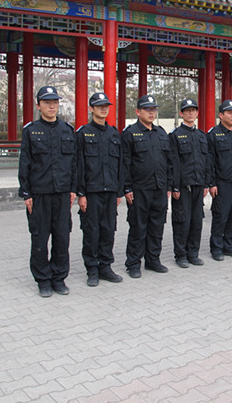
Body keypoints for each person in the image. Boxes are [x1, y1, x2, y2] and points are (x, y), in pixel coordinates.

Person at [18, 85, 76, 297]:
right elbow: (25, 163)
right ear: (38, 105)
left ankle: (59, 278)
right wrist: (26, 193)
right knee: (40, 239)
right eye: (47, 103)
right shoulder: (31, 131)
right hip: (39, 194)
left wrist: (73, 189)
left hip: (62, 194)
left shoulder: (67, 130)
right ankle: (43, 279)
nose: (52, 106)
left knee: (62, 238)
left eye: (55, 102)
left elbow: (74, 164)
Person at [122, 95, 173, 278]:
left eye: (153, 109)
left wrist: (169, 185)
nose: (151, 113)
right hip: (139, 189)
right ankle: (133, 263)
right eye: (147, 109)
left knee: (156, 227)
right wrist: (127, 188)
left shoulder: (161, 133)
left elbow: (168, 162)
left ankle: (153, 260)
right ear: (138, 112)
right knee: (138, 227)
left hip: (159, 188)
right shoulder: (130, 133)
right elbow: (125, 163)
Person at [76, 92, 123, 287]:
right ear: (91, 109)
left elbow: (120, 165)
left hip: (110, 191)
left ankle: (105, 267)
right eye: (99, 106)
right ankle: (92, 270)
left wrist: (119, 191)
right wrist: (81, 193)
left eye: (106, 106)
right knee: (91, 232)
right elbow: (78, 166)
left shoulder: (114, 134)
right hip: (91, 192)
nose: (103, 109)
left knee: (108, 230)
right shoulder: (83, 133)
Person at [169, 98, 210, 268]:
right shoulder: (175, 135)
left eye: (193, 110)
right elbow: (173, 163)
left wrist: (206, 183)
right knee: (182, 222)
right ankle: (181, 255)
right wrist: (175, 186)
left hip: (198, 185)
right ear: (181, 113)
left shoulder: (202, 136)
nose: (191, 113)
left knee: (196, 221)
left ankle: (193, 253)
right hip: (183, 187)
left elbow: (206, 161)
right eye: (187, 110)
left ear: (197, 113)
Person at [207, 100, 232, 261]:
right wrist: (212, 183)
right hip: (222, 183)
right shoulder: (214, 134)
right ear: (221, 115)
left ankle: (229, 246)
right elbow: (210, 161)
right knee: (221, 216)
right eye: (230, 113)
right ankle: (216, 248)